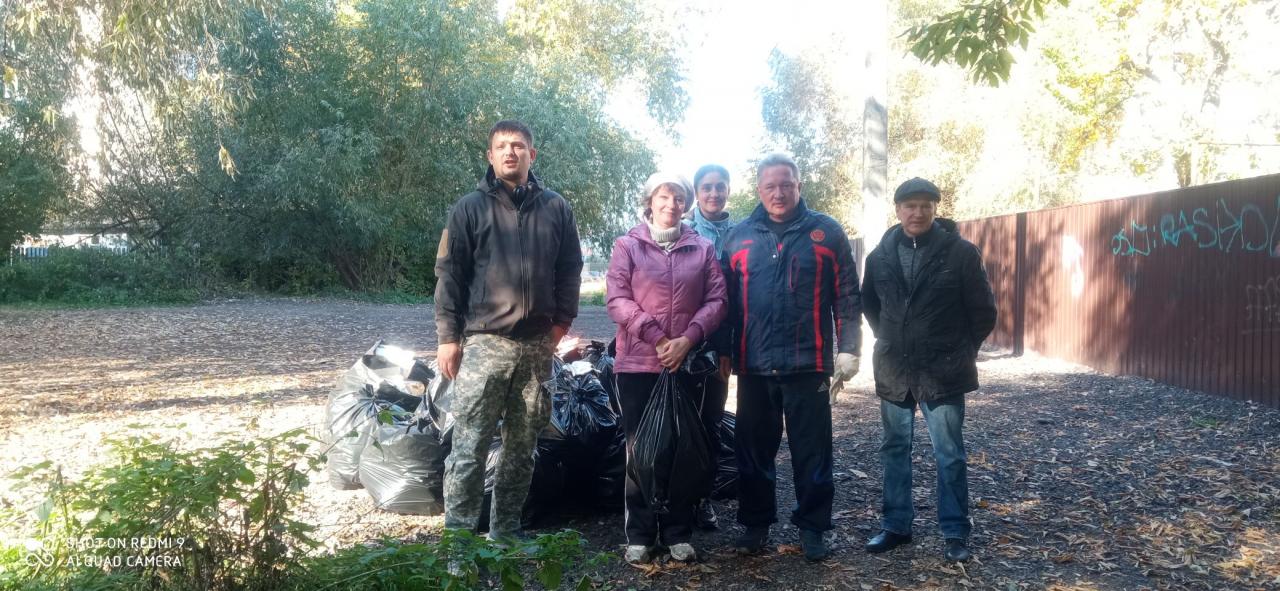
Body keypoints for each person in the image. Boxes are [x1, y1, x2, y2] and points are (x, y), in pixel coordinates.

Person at [434, 120, 583, 543]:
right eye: (502, 146)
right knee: (468, 449)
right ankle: (459, 545)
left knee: (521, 450)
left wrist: (561, 324)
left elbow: (570, 268)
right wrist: (448, 337)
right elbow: (449, 275)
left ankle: (506, 534)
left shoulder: (556, 208)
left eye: (518, 145)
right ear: (490, 156)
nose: (510, 152)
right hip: (484, 343)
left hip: (537, 346)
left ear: (532, 155)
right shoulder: (468, 209)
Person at [719, 153, 861, 562]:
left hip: (808, 364)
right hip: (754, 366)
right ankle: (755, 524)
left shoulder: (827, 232)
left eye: (787, 184)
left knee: (813, 453)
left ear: (799, 185)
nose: (779, 193)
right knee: (753, 452)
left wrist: (849, 347)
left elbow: (848, 295)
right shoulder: (739, 237)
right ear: (759, 189)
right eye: (770, 186)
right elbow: (724, 303)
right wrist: (725, 351)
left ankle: (814, 528)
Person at [860, 177, 997, 563]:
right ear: (898, 209)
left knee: (949, 453)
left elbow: (983, 312)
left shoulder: (961, 254)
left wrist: (960, 350)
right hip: (894, 369)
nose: (917, 212)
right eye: (910, 205)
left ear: (936, 209)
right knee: (893, 450)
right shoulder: (879, 257)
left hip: (944, 371)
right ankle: (896, 526)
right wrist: (892, 338)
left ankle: (955, 531)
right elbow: (871, 305)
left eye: (925, 205)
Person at [606, 171, 727, 564]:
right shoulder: (627, 245)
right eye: (664, 196)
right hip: (638, 362)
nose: (672, 204)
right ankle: (640, 532)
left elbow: (717, 300)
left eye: (679, 197)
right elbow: (617, 299)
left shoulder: (702, 248)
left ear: (687, 205)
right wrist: (658, 338)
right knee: (640, 451)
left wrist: (688, 339)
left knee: (683, 448)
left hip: (686, 363)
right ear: (650, 201)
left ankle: (677, 531)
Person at [688, 163, 736, 529]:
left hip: (721, 345)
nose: (714, 194)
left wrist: (726, 348)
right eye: (707, 187)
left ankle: (702, 498)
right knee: (673, 424)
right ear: (697, 192)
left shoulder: (743, 233)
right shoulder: (682, 231)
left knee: (709, 424)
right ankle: (671, 500)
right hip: (680, 344)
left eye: (720, 187)